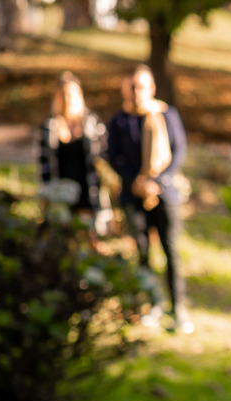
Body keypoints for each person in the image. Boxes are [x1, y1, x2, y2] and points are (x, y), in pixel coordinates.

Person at [106, 64, 190, 333]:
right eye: (132, 86)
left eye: (141, 86)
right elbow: (113, 157)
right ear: (125, 88)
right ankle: (153, 303)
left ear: (151, 88)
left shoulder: (166, 114)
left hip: (164, 194)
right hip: (133, 196)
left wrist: (157, 181)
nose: (136, 91)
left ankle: (178, 307)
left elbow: (178, 152)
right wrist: (136, 181)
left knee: (170, 250)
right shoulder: (119, 121)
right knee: (142, 252)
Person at [37, 72, 110, 235]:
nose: (68, 99)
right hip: (60, 195)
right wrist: (46, 198)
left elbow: (104, 159)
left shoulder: (92, 124)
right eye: (63, 95)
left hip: (88, 192)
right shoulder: (50, 127)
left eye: (71, 94)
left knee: (87, 237)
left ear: (80, 95)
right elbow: (44, 167)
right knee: (63, 240)